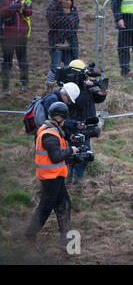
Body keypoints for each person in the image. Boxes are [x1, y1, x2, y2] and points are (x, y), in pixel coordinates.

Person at [24, 102, 80, 245]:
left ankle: (65, 237)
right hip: (51, 177)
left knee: (64, 204)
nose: (65, 121)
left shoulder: (50, 129)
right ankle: (30, 235)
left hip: (55, 176)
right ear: (59, 118)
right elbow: (55, 157)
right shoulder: (50, 134)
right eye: (65, 119)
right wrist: (71, 151)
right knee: (46, 207)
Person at [65, 60, 107, 197]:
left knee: (74, 156)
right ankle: (75, 186)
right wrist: (90, 85)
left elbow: (96, 98)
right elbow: (80, 101)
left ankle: (70, 183)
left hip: (85, 128)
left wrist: (101, 91)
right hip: (76, 128)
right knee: (81, 157)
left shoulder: (83, 88)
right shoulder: (72, 89)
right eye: (83, 73)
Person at [0, 0, 32, 93]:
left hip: (21, 34)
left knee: (23, 60)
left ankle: (25, 84)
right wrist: (12, 7)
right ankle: (6, 87)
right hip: (7, 35)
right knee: (7, 61)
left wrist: (25, 9)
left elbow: (30, 13)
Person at [45, 0, 80, 93]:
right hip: (57, 43)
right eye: (67, 0)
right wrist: (66, 17)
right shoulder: (53, 9)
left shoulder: (73, 9)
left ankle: (65, 91)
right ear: (60, 0)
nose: (69, 2)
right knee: (55, 67)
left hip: (70, 44)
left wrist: (64, 19)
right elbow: (53, 23)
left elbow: (75, 23)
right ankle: (49, 89)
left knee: (68, 69)